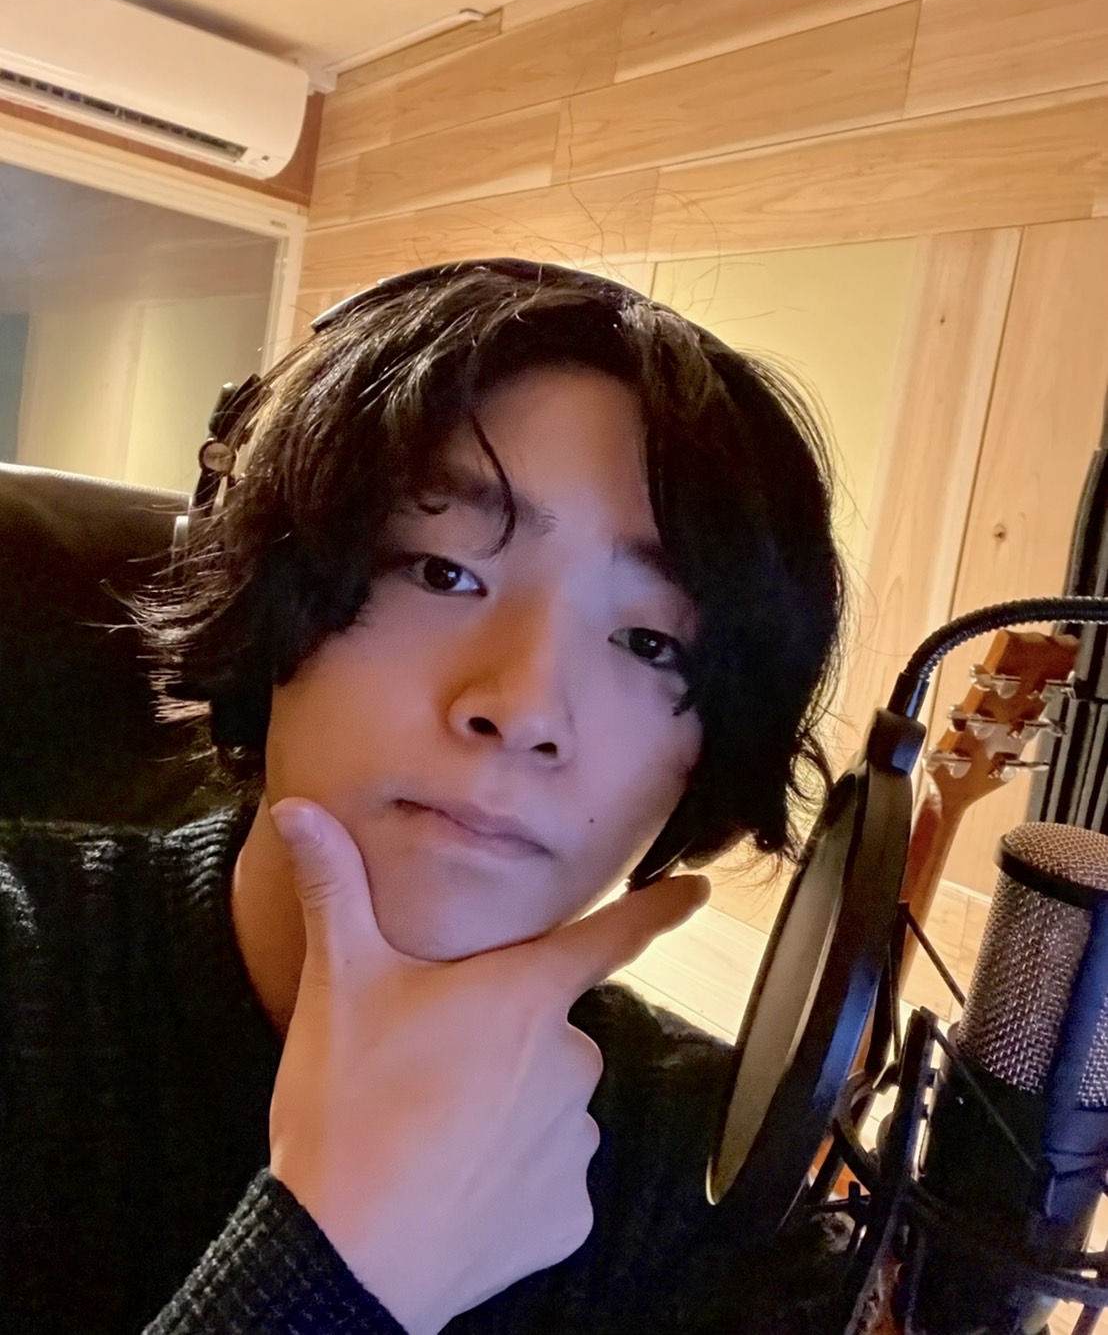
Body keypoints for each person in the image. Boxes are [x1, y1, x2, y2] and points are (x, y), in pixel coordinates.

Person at [0, 258, 846, 1333]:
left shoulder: (718, 1185)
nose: (524, 707)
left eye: (648, 642)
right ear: (268, 589)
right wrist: (333, 1268)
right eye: (445, 573)